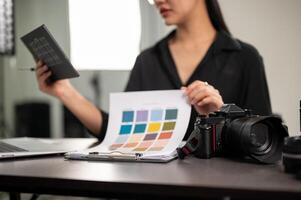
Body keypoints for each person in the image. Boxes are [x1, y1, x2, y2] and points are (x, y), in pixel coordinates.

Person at [35, 0, 271, 141]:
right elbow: (117, 131)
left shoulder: (245, 58)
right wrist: (64, 92)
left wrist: (222, 114)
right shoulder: (147, 61)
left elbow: (264, 139)